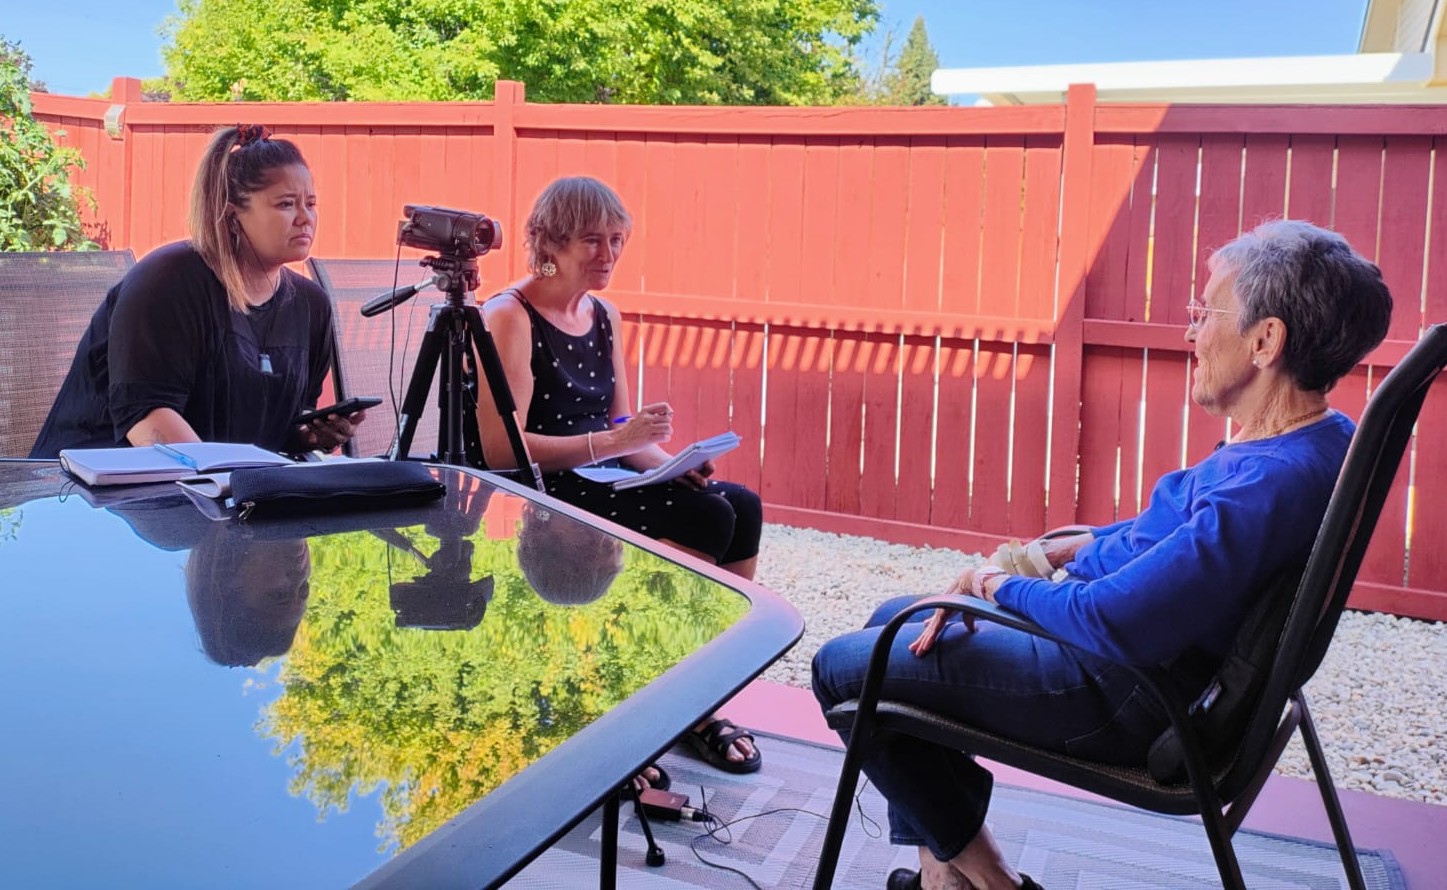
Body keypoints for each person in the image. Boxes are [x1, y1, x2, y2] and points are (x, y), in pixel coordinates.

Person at [811, 219, 1393, 890]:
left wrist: (990, 582)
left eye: (1205, 313)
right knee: (895, 619)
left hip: (1127, 693)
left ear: (1265, 340)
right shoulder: (1317, 439)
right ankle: (945, 881)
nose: (1191, 332)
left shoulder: (1264, 487)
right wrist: (1072, 547)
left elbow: (1112, 620)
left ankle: (995, 884)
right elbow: (1162, 537)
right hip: (1140, 665)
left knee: (842, 670)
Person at [474, 175, 764, 781]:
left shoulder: (604, 313)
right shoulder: (509, 316)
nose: (608, 254)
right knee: (708, 517)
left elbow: (620, 424)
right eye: (591, 240)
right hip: (539, 489)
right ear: (550, 242)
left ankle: (695, 699)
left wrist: (674, 465)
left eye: (616, 240)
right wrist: (613, 445)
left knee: (738, 505)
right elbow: (502, 450)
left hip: (601, 472)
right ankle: (624, 700)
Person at [30, 124, 366, 459]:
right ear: (232, 216)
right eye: (286, 204)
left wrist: (309, 434)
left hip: (229, 484)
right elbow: (146, 420)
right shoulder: (167, 281)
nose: (305, 218)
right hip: (96, 481)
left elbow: (285, 422)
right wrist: (230, 477)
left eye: (311, 203)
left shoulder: (311, 305)